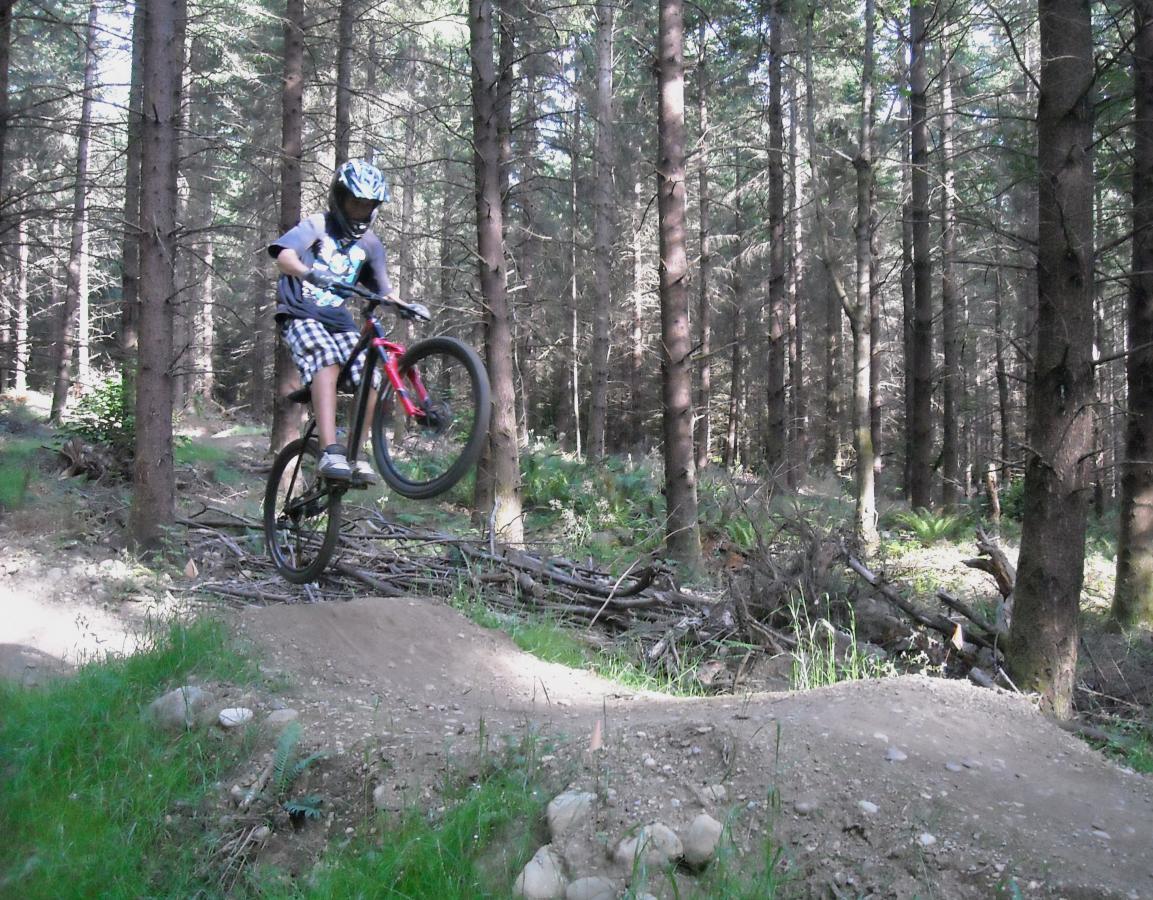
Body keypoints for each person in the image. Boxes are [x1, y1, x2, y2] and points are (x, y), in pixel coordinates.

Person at [268, 159, 399, 483]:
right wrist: (309, 272)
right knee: (326, 360)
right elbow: (283, 255)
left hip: (338, 320)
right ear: (340, 199)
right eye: (355, 202)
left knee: (371, 377)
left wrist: (406, 306)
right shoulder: (317, 225)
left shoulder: (370, 243)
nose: (360, 210)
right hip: (300, 310)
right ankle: (330, 451)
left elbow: (384, 291)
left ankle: (357, 453)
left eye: (367, 205)